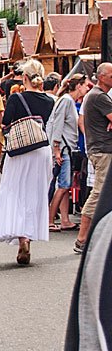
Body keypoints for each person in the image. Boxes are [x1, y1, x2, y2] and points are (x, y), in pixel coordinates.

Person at [0, 59, 54, 265]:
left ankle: (21, 236)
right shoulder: (51, 100)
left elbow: (6, 122)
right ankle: (30, 236)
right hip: (42, 148)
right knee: (36, 193)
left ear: (25, 78)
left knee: (15, 191)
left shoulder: (16, 98)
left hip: (20, 150)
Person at [75, 63, 112, 254]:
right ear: (102, 76)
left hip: (100, 149)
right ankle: (82, 239)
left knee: (102, 192)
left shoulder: (96, 96)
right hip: (103, 150)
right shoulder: (99, 96)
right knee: (99, 193)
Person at [47, 74, 89, 232]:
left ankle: (65, 219)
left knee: (65, 185)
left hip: (65, 147)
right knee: (64, 185)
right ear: (78, 86)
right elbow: (57, 123)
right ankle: (50, 220)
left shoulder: (67, 100)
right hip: (63, 148)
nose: (86, 88)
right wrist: (56, 148)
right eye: (85, 85)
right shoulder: (66, 101)